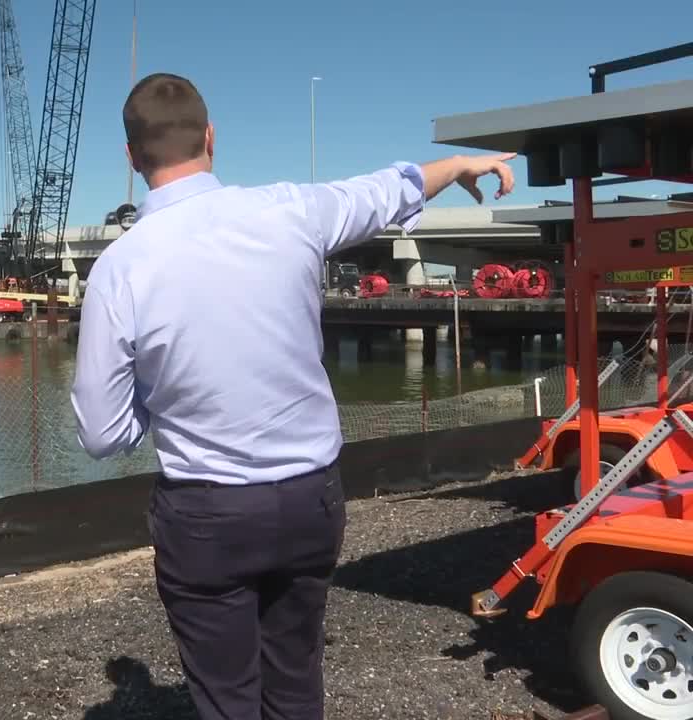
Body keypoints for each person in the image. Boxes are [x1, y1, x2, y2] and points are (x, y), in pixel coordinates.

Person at [70, 72, 515, 720]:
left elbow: (102, 435)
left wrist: (157, 396)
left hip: (206, 513)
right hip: (311, 500)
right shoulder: (289, 210)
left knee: (227, 698)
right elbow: (386, 191)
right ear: (211, 139)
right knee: (296, 680)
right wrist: (455, 163)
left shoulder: (120, 268)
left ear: (132, 158)